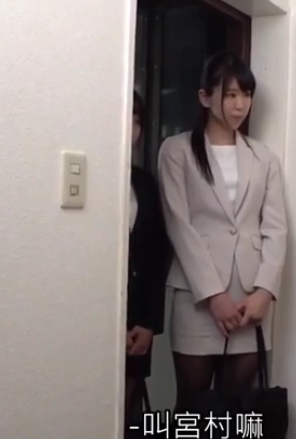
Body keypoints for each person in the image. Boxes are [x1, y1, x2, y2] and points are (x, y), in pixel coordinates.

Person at [156, 51, 288, 439]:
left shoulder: (264, 158)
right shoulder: (176, 150)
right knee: (193, 409)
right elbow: (179, 224)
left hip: (251, 302)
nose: (239, 104)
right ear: (204, 96)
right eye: (230, 94)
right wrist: (213, 296)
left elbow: (276, 229)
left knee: (237, 412)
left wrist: (265, 291)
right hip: (197, 299)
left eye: (246, 94)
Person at [125, 91, 171, 415]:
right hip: (97, 320)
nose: (132, 129)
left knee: (129, 413)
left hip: (138, 320)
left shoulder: (144, 183)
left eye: (137, 121)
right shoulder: (91, 180)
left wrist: (149, 323)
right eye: (126, 118)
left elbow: (157, 254)